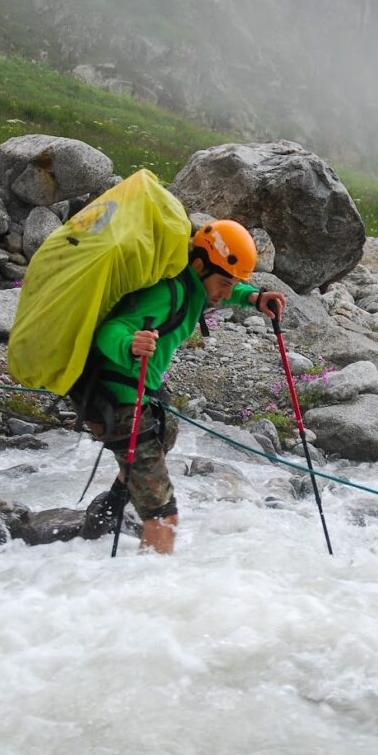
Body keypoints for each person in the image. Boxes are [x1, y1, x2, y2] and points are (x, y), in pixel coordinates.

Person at [77, 219, 285, 554]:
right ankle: (146, 594)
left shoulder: (197, 286)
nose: (226, 294)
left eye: (232, 286)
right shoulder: (167, 293)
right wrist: (130, 342)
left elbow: (227, 288)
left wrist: (255, 298)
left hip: (141, 391)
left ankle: (109, 508)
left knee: (167, 429)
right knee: (164, 518)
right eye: (223, 284)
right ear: (199, 266)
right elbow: (109, 331)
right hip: (118, 400)